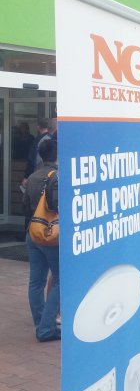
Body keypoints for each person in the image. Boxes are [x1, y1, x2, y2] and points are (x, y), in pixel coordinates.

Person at [22, 138, 60, 342]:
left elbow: (25, 206)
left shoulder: (32, 177)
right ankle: (46, 327)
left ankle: (40, 323)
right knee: (61, 280)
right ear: (57, 156)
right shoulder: (58, 177)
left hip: (33, 233)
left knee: (36, 282)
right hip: (52, 236)